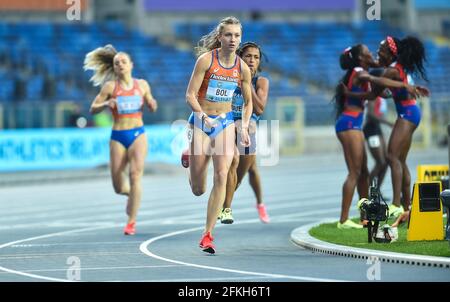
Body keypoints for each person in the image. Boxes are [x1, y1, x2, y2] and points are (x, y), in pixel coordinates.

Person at [183, 16, 252, 254]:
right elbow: (190, 95)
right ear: (220, 37)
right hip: (201, 122)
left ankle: (208, 235)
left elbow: (248, 103)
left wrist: (242, 126)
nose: (233, 40)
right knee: (198, 189)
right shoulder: (206, 61)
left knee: (222, 174)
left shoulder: (242, 68)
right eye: (228, 35)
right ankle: (190, 160)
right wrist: (201, 115)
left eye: (236, 36)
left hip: (224, 123)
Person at [333, 44, 421, 230]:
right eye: (368, 53)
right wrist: (404, 85)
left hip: (353, 123)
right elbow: (373, 80)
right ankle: (343, 220)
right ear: (360, 59)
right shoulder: (358, 72)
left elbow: (373, 94)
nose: (373, 55)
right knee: (355, 173)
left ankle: (365, 216)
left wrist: (398, 90)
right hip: (349, 124)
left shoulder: (360, 71)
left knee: (363, 172)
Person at [84, 44, 158, 235]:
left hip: (137, 134)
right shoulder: (110, 87)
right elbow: (93, 108)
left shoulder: (142, 85)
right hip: (118, 135)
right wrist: (107, 103)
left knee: (135, 175)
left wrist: (151, 103)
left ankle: (131, 222)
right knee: (118, 186)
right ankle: (131, 196)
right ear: (114, 68)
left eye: (124, 62)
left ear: (131, 64)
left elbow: (152, 103)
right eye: (117, 63)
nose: (120, 65)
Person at [220, 41, 270, 224]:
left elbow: (259, 109)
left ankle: (259, 203)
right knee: (231, 165)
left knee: (244, 173)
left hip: (248, 130)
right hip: (227, 126)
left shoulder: (261, 81)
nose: (252, 60)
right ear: (240, 57)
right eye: (248, 56)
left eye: (256, 57)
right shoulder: (229, 77)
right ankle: (225, 208)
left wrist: (246, 83)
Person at [363, 69, 394, 198]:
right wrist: (387, 122)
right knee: (380, 162)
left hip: (376, 128)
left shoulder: (380, 92)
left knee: (386, 161)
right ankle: (367, 190)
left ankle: (377, 191)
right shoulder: (373, 93)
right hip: (371, 129)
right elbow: (370, 115)